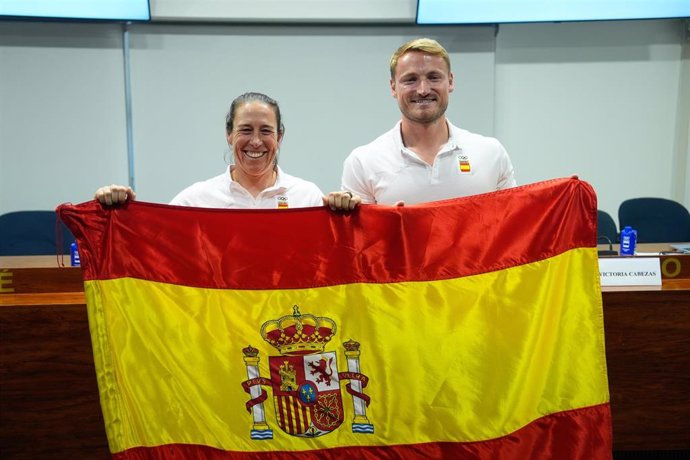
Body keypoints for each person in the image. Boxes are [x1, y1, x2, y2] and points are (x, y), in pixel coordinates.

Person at [96, 92, 359, 211]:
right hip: (218, 322)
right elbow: (155, 251)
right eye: (245, 130)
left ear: (280, 137)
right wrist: (115, 210)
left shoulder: (308, 197)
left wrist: (347, 212)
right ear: (229, 134)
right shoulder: (195, 201)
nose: (255, 141)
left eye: (266, 131)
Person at [341, 38, 516, 205]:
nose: (423, 90)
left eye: (433, 77)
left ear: (450, 82)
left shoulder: (491, 154)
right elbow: (359, 235)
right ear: (393, 87)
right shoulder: (363, 162)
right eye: (411, 80)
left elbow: (512, 226)